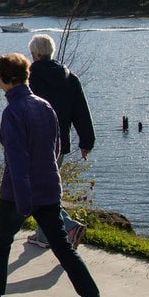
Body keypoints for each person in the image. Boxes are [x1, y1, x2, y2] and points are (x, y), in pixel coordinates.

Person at [0, 53, 111, 297]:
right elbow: (55, 149)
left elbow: (17, 158)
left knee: (0, 243)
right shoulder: (45, 106)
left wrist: (23, 202)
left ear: (8, 80)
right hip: (48, 188)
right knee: (63, 248)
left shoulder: (13, 112)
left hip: (19, 192)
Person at [25, 33, 94, 250]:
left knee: (37, 190)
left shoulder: (30, 79)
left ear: (34, 55)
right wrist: (86, 142)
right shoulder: (70, 79)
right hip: (60, 144)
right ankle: (44, 236)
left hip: (35, 144)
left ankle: (68, 226)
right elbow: (81, 112)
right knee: (47, 188)